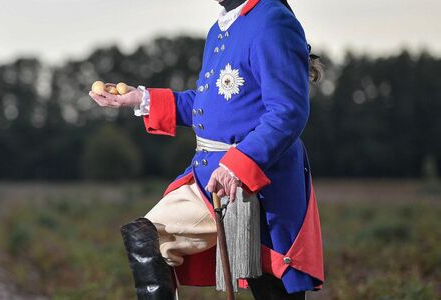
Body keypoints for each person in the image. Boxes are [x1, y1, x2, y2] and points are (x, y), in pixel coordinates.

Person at [89, 0, 323, 299]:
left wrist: (238, 164)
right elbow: (209, 105)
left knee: (272, 286)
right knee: (147, 237)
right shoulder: (220, 29)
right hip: (210, 176)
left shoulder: (273, 21)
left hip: (262, 180)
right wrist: (141, 99)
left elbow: (288, 112)